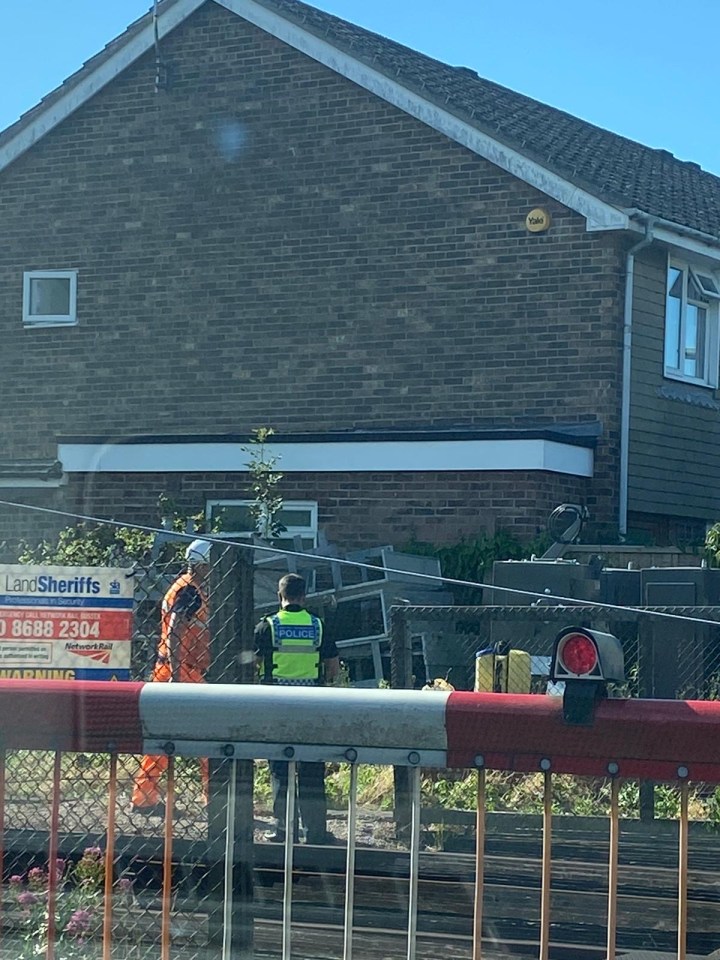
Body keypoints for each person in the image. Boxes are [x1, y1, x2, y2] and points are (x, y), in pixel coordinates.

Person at [255, 573, 340, 844]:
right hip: (311, 705)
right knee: (312, 768)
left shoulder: (267, 626)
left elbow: (254, 662)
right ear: (304, 597)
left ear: (280, 597)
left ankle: (282, 830)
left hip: (276, 704)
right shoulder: (319, 626)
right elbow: (333, 669)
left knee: (280, 767)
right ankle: (315, 832)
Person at [130, 538, 212, 816]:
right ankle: (214, 797)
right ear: (202, 564)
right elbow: (177, 626)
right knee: (212, 733)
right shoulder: (191, 591)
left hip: (173, 666)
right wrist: (177, 675)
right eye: (211, 564)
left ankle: (144, 798)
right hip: (184, 670)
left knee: (161, 738)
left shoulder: (182, 586)